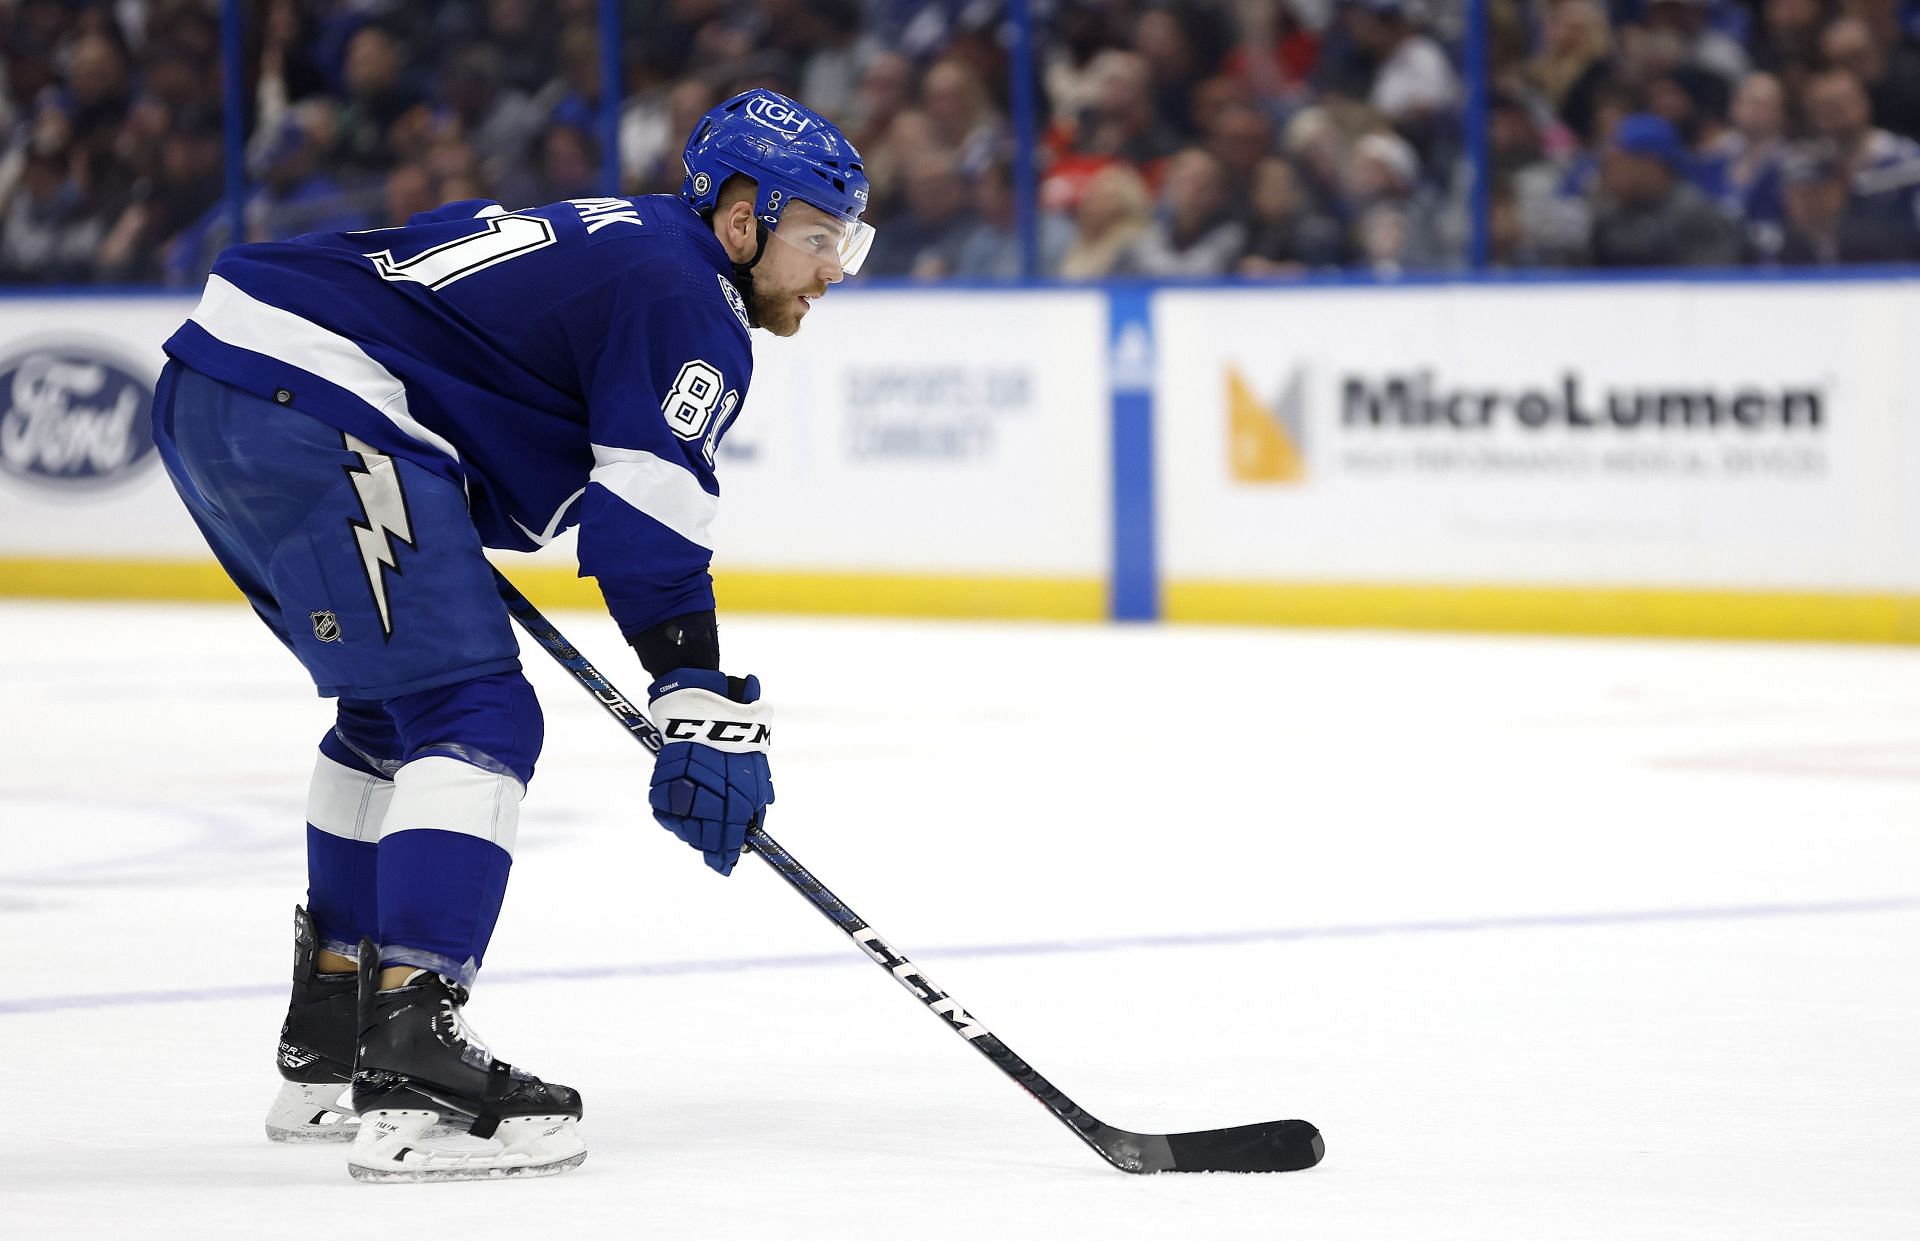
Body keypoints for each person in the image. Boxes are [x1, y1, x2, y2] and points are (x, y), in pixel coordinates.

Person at [150, 88, 874, 1183]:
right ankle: (412, 1055)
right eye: (821, 238)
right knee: (475, 710)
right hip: (312, 398)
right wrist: (696, 693)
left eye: (849, 243)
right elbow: (648, 514)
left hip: (223, 382)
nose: (834, 270)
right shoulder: (694, 302)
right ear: (743, 219)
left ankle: (332, 1038)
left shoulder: (636, 247)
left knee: (393, 716)